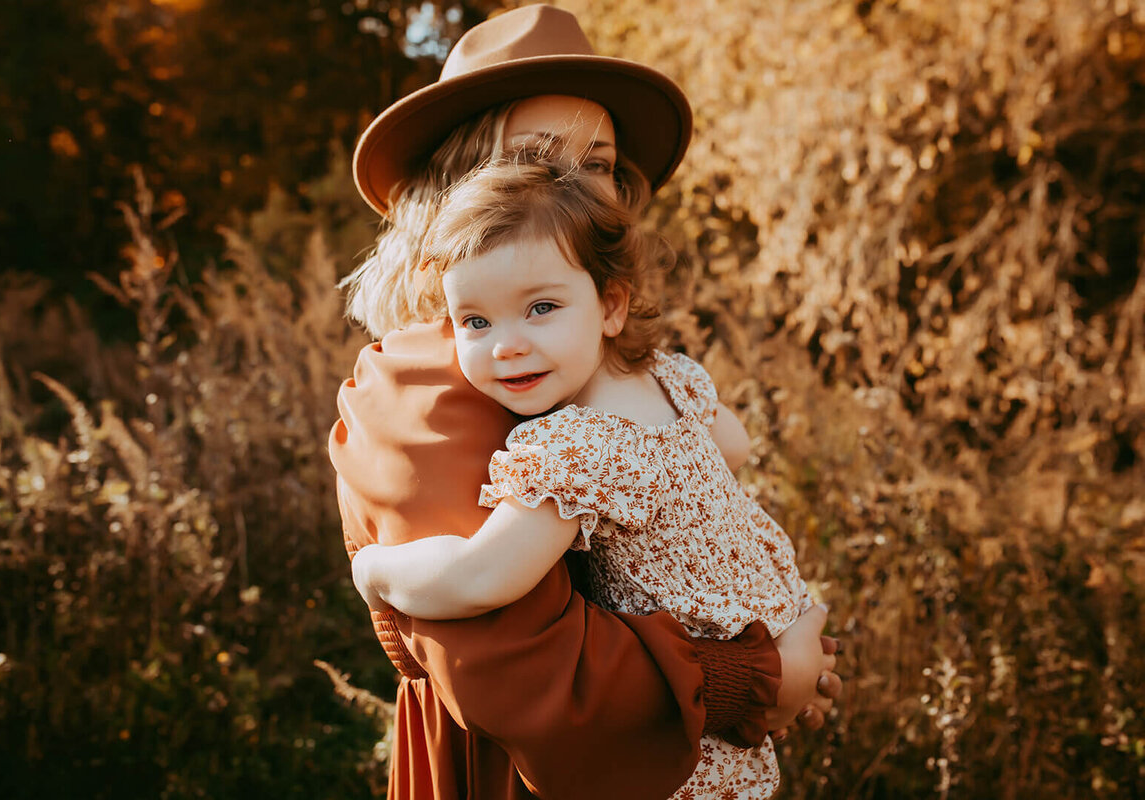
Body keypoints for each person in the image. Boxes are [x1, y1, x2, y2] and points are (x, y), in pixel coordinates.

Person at [328, 6, 842, 800]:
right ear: (459, 183)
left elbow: (717, 457)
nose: (569, 184)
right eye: (535, 158)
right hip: (525, 766)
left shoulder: (609, 366)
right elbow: (515, 670)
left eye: (596, 163)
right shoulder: (423, 381)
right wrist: (756, 674)